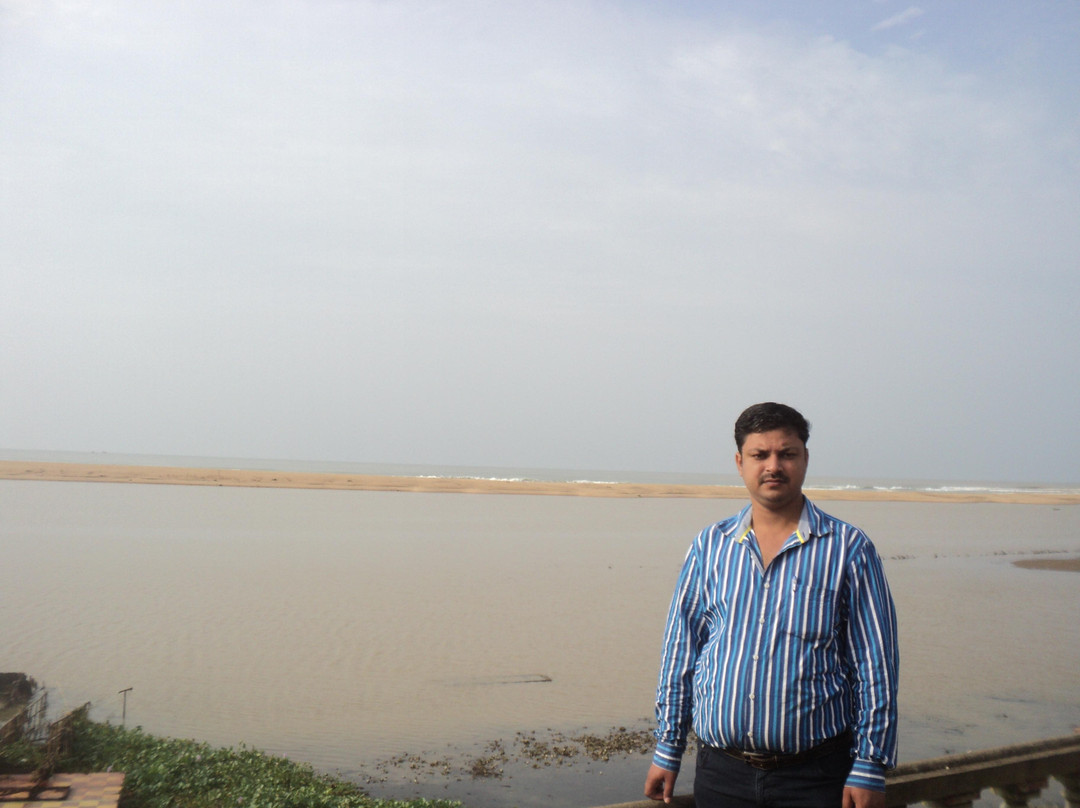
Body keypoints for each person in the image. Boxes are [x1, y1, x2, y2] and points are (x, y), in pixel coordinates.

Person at [644, 402, 898, 808]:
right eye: (760, 455)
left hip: (815, 777)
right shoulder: (710, 546)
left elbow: (875, 665)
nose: (773, 466)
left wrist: (870, 764)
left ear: (805, 458)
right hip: (721, 774)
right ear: (740, 462)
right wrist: (668, 746)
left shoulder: (849, 549)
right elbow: (681, 652)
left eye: (787, 453)